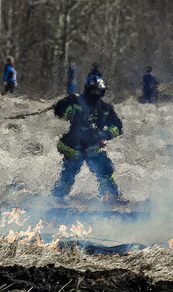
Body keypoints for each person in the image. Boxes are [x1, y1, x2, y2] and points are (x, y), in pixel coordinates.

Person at [51, 74, 124, 203]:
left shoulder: (105, 108)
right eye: (92, 90)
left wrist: (105, 135)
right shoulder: (76, 102)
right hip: (74, 145)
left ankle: (111, 198)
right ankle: (57, 198)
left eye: (98, 90)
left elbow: (118, 126)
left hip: (94, 146)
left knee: (106, 172)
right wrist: (63, 104)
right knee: (67, 175)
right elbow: (60, 112)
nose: (95, 93)